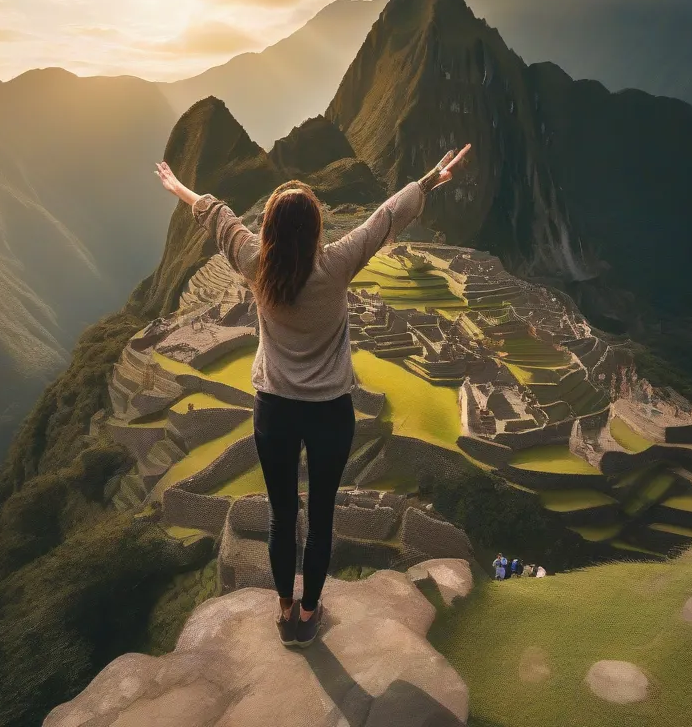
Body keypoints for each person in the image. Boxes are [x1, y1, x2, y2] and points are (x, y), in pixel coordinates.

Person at [154, 143, 471, 647]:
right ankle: (308, 614)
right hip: (330, 413)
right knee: (321, 517)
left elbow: (219, 219)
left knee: (283, 516)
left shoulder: (256, 263)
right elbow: (386, 218)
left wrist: (179, 189)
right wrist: (432, 178)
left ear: (271, 231)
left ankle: (284, 612)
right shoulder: (336, 265)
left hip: (274, 412)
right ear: (316, 230)